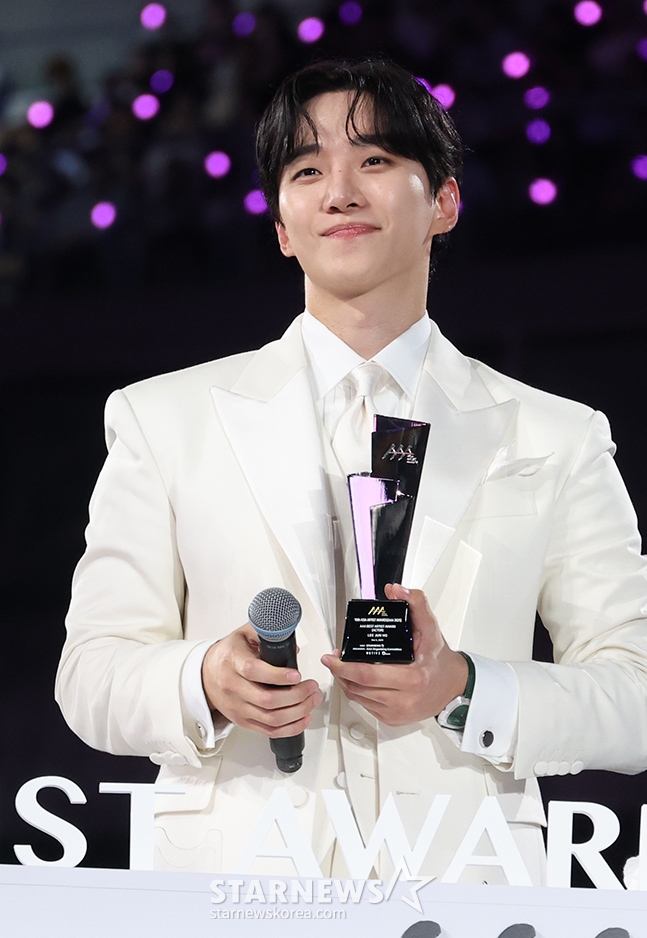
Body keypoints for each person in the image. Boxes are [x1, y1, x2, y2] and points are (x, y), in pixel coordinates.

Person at [56, 59, 647, 884]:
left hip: (466, 889)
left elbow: (634, 694)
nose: (338, 191)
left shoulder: (556, 435)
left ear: (443, 202)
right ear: (281, 227)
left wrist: (464, 688)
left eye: (373, 159)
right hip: (230, 891)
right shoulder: (163, 419)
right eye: (306, 171)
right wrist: (204, 680)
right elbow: (90, 676)